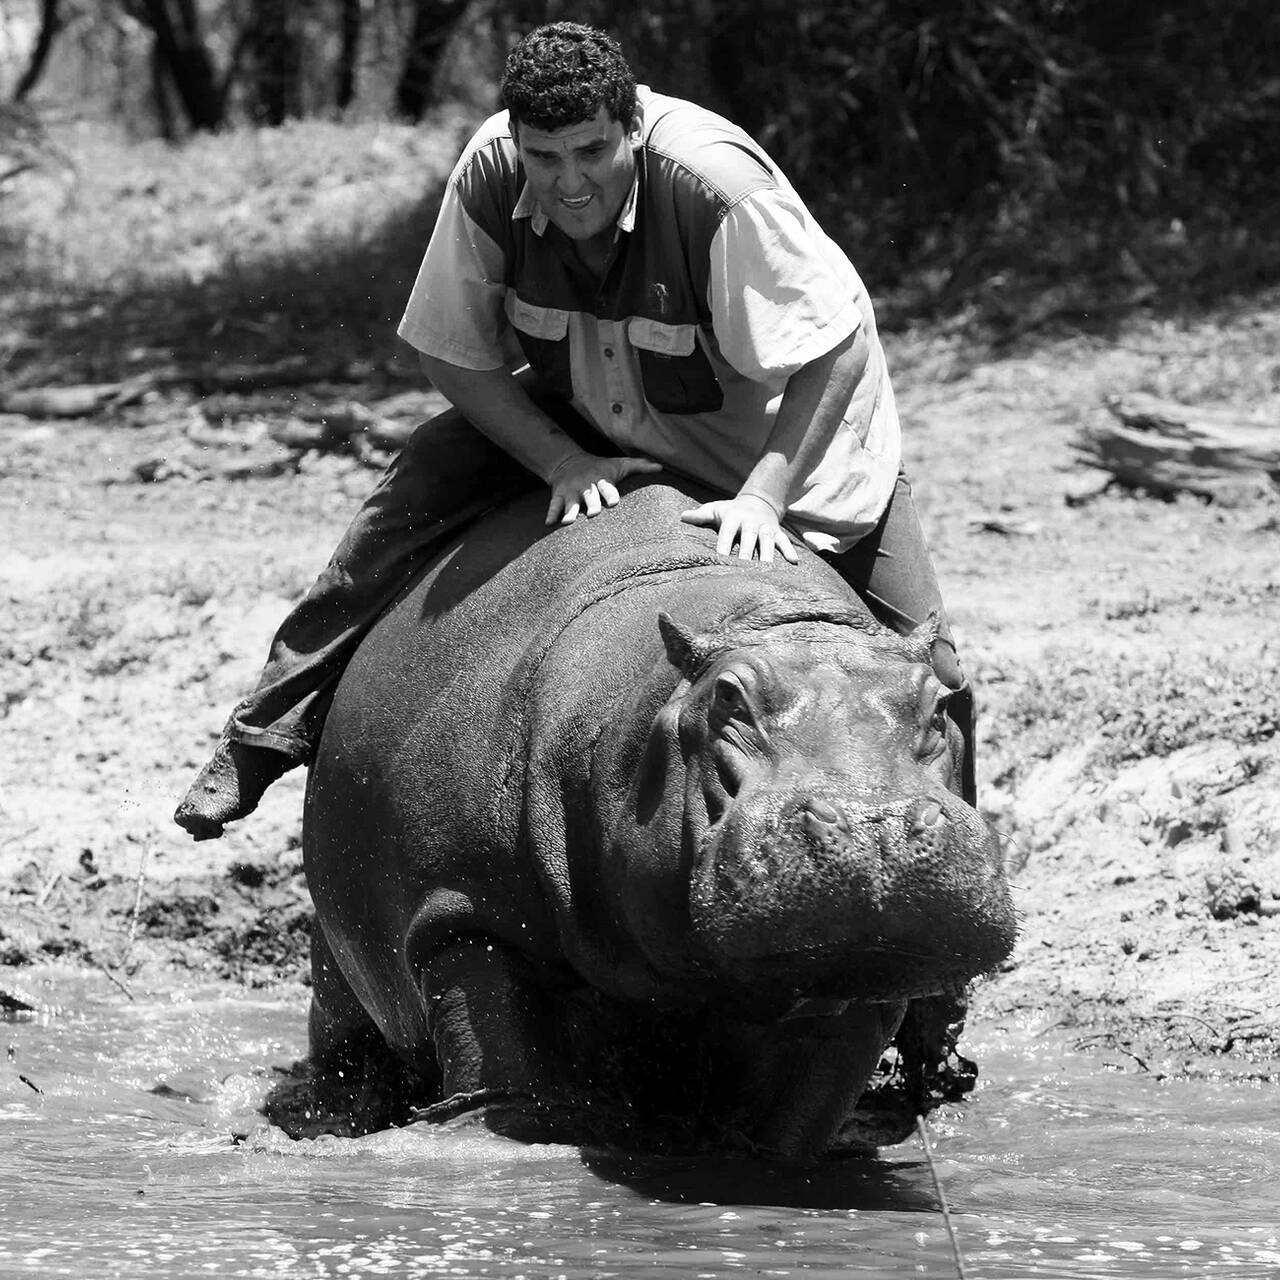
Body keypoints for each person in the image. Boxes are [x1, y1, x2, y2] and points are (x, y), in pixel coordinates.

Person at [174, 20, 973, 840]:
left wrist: (766, 498)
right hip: (594, 409)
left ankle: (950, 887)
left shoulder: (715, 188)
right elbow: (448, 350)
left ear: (631, 125)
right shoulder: (489, 172)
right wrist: (556, 458)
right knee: (427, 469)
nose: (571, 184)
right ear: (516, 138)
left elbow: (835, 347)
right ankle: (265, 732)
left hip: (781, 450)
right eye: (545, 158)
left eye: (592, 152)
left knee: (933, 673)